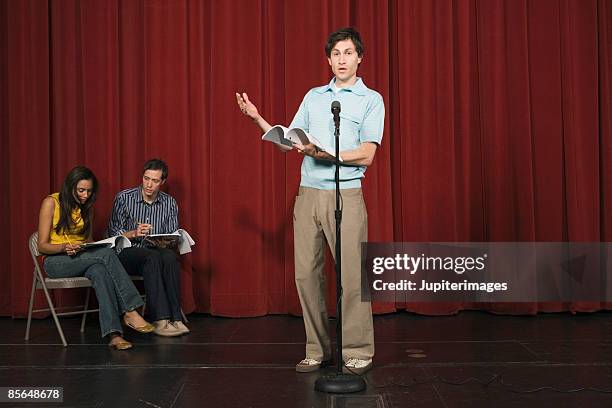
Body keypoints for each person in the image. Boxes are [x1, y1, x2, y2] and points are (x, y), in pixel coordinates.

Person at [236, 27, 384, 374]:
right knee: (306, 275)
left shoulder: (370, 99)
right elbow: (291, 140)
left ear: (359, 57)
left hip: (345, 194)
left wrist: (324, 152)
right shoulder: (314, 96)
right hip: (308, 195)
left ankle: (358, 349)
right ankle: (316, 349)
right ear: (328, 59)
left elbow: (366, 155)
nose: (342, 59)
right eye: (336, 54)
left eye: (348, 53)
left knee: (350, 276)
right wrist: (258, 118)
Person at [37, 166, 154, 350]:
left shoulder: (87, 208)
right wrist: (64, 247)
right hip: (55, 261)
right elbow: (41, 245)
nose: (85, 195)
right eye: (81, 190)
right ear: (70, 187)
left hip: (81, 258)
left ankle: (114, 335)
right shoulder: (51, 203)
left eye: (89, 191)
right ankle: (131, 309)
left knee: (100, 271)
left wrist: (97, 245)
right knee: (106, 255)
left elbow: (89, 242)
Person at [108, 159, 189, 337]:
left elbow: (171, 236)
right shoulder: (124, 198)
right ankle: (160, 319)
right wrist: (133, 233)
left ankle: (176, 318)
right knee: (151, 257)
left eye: (155, 180)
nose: (149, 184)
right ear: (142, 177)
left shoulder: (169, 203)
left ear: (162, 182)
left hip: (155, 252)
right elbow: (112, 234)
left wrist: (166, 240)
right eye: (146, 179)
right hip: (127, 252)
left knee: (169, 257)